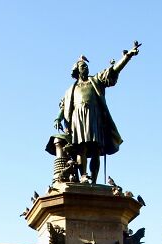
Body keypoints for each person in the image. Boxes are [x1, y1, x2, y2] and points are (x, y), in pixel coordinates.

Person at [50, 43, 140, 183]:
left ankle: (94, 181)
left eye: (86, 66)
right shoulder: (70, 90)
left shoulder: (95, 81)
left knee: (96, 150)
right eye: (82, 66)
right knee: (81, 148)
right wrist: (58, 118)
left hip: (94, 117)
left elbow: (113, 71)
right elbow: (64, 107)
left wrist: (127, 56)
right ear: (77, 70)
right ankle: (84, 175)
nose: (86, 67)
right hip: (77, 119)